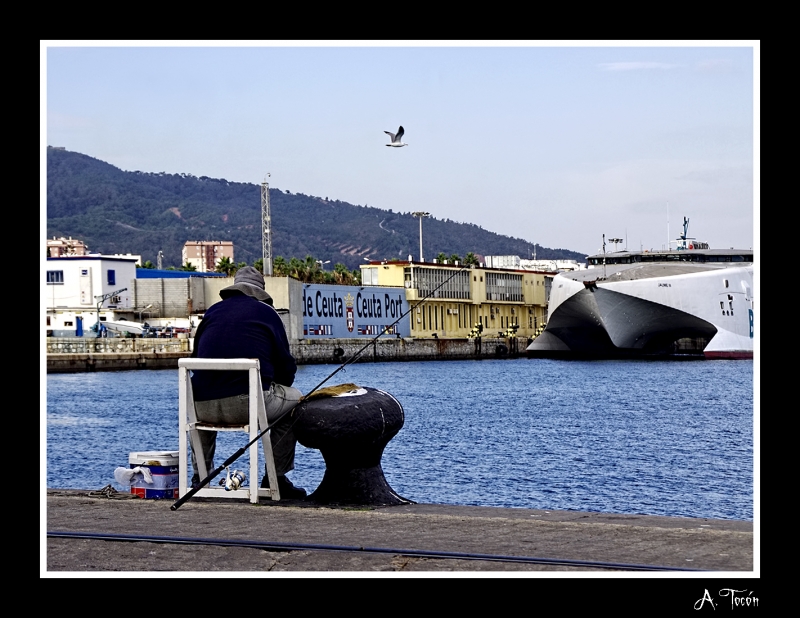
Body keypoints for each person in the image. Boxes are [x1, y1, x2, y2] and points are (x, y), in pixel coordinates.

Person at [189, 266, 306, 498]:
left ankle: (200, 479)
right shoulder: (267, 313)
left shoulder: (211, 313)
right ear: (260, 292)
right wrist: (279, 387)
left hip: (201, 406)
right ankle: (277, 479)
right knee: (297, 402)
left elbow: (194, 360)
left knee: (204, 390)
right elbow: (286, 365)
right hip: (248, 404)